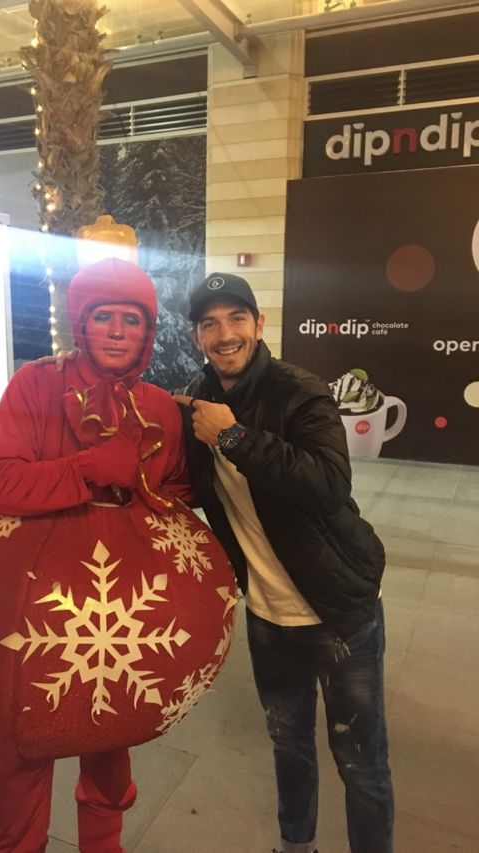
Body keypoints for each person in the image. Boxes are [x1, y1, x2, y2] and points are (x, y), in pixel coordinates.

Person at [0, 257, 191, 853]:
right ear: (81, 323)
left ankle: (103, 844)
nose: (118, 331)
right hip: (32, 603)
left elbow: (175, 495)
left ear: (148, 331)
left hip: (120, 605)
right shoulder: (36, 384)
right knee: (21, 742)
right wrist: (88, 469)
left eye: (132, 319)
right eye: (103, 316)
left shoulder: (160, 407)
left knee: (111, 736)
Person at [173, 272, 393, 853]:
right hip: (268, 617)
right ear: (197, 337)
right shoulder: (195, 400)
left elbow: (328, 485)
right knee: (289, 745)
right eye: (210, 323)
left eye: (236, 318)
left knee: (361, 763)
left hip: (338, 610)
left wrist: (235, 438)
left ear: (259, 324)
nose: (225, 333)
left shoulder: (301, 391)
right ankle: (296, 846)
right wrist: (67, 373)